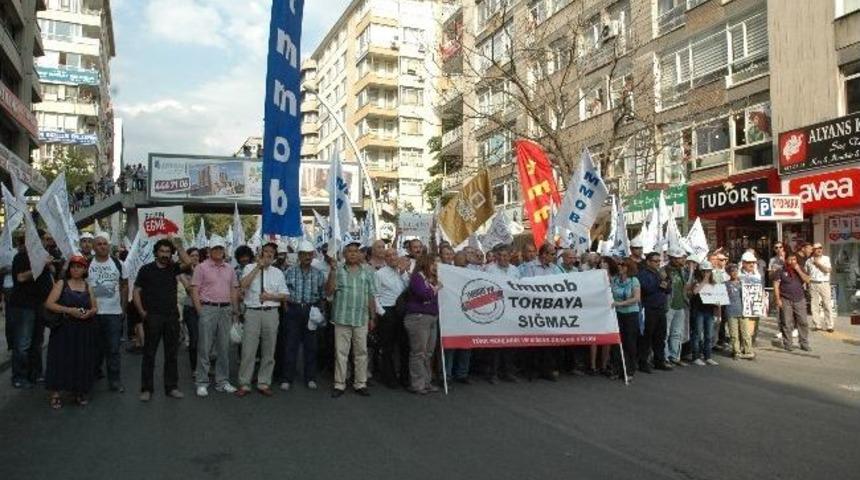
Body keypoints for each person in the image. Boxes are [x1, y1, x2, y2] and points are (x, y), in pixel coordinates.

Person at [134, 238, 187, 402]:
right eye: (162, 251)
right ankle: (146, 389)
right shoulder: (146, 270)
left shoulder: (174, 268)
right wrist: (142, 312)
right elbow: (136, 291)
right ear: (156, 252)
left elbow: (188, 262)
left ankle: (171, 387)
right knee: (149, 354)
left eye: (167, 252)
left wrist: (178, 246)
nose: (165, 255)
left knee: (171, 354)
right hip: (153, 317)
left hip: (171, 316)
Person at [44, 255, 100, 408]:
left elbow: (94, 306)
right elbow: (49, 303)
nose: (76, 269)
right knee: (60, 359)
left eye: (80, 266)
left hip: (83, 329)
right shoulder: (62, 284)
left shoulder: (88, 286)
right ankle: (55, 393)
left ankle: (78, 391)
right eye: (73, 266)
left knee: (81, 359)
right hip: (64, 329)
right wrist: (69, 310)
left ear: (84, 269)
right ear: (69, 269)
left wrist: (90, 312)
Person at [236, 242, 289, 397]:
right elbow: (242, 285)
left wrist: (270, 296)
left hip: (271, 312)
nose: (268, 254)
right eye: (265, 251)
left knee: (269, 349)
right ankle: (245, 383)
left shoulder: (278, 273)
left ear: (274, 256)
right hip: (252, 312)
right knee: (248, 350)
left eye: (271, 253)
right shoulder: (249, 267)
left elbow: (285, 294)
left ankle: (264, 382)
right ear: (260, 252)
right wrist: (258, 267)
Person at [326, 242, 377, 398]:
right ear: (344, 254)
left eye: (356, 251)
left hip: (361, 318)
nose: (353, 254)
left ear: (360, 254)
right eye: (350, 251)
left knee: (361, 352)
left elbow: (370, 295)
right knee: (341, 353)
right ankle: (339, 384)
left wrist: (373, 317)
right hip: (342, 318)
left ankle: (360, 383)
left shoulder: (368, 272)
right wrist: (333, 272)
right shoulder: (338, 270)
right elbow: (328, 291)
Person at [191, 237, 240, 397]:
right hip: (208, 308)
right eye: (215, 248)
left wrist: (235, 311)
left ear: (224, 250)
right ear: (209, 250)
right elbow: (194, 291)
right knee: (204, 347)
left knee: (224, 348)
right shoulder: (201, 267)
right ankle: (202, 382)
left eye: (220, 248)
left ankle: (222, 381)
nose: (218, 250)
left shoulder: (230, 268)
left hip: (226, 310)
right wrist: (201, 311)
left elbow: (233, 290)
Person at [9, 232, 55, 388]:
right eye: (45, 239)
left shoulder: (44, 258)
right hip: (23, 306)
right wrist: (41, 265)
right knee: (23, 343)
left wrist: (51, 268)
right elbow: (21, 277)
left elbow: (49, 279)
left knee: (37, 342)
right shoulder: (21, 257)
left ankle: (35, 374)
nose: (47, 242)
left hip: (38, 305)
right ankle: (19, 376)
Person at [281, 241, 326, 391]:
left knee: (311, 346)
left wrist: (320, 313)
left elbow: (322, 295)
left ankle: (310, 378)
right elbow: (284, 293)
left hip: (311, 310)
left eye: (309, 254)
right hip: (293, 311)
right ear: (299, 256)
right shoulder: (289, 272)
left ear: (313, 255)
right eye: (304, 254)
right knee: (290, 346)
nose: (307, 257)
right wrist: (287, 309)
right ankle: (287, 378)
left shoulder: (318, 274)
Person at [88, 233, 128, 393]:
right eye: (99, 244)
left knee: (113, 348)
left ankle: (115, 381)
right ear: (94, 247)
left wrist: (123, 308)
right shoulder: (87, 265)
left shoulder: (118, 264)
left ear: (109, 246)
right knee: (93, 347)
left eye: (105, 243)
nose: (102, 246)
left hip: (113, 313)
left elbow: (125, 285)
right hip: (93, 313)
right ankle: (93, 374)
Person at [520, 243, 563, 381]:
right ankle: (531, 370)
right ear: (543, 254)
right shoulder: (530, 267)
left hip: (550, 309)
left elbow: (563, 283)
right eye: (551, 254)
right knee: (533, 341)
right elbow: (527, 285)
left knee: (549, 341)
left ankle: (547, 369)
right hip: (534, 308)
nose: (554, 256)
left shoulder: (555, 268)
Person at [403, 255, 440, 394]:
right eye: (433, 264)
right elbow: (423, 294)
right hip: (418, 318)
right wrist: (435, 288)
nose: (436, 266)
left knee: (428, 352)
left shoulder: (434, 279)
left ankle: (426, 381)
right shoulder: (417, 277)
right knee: (419, 352)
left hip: (431, 317)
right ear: (426, 264)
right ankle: (417, 384)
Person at [373, 248, 410, 388]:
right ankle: (389, 378)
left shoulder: (403, 272)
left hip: (403, 312)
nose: (392, 257)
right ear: (385, 259)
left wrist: (403, 273)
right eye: (389, 255)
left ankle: (405, 378)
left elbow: (408, 288)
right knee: (387, 348)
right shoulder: (379, 274)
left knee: (404, 346)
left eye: (395, 254)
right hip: (388, 311)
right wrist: (382, 313)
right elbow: (375, 295)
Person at [484, 244, 520, 383]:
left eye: (506, 255)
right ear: (496, 256)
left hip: (511, 310)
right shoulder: (489, 269)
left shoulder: (515, 270)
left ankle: (508, 372)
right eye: (500, 255)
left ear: (510, 256)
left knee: (510, 343)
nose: (503, 258)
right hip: (495, 309)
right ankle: (493, 373)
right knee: (495, 344)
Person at [637, 252, 671, 373]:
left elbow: (668, 289)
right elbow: (647, 288)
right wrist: (660, 282)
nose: (658, 263)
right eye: (655, 261)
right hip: (649, 308)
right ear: (648, 262)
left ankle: (659, 361)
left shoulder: (660, 273)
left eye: (659, 261)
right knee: (647, 336)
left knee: (660, 336)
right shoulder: (643, 274)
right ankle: (643, 362)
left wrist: (664, 281)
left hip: (661, 308)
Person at [610, 257, 640, 381]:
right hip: (617, 314)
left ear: (628, 267)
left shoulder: (634, 280)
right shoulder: (615, 280)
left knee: (629, 342)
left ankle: (629, 370)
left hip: (630, 314)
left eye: (623, 265)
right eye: (619, 265)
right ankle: (617, 369)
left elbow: (636, 298)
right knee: (617, 342)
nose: (620, 267)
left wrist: (620, 304)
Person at [773, 253, 811, 352]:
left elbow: (807, 280)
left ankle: (804, 343)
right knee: (787, 322)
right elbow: (776, 286)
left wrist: (798, 269)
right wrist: (778, 299)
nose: (792, 261)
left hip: (799, 299)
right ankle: (788, 343)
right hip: (785, 299)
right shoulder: (780, 271)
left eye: (794, 259)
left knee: (803, 322)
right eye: (790, 259)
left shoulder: (800, 269)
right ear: (786, 260)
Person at [690, 261, 719, 366]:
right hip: (698, 311)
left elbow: (718, 298)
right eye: (705, 271)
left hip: (709, 311)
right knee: (697, 334)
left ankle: (708, 356)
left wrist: (718, 313)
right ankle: (696, 356)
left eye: (709, 271)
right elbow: (695, 292)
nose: (707, 273)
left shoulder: (713, 283)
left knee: (709, 335)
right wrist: (704, 281)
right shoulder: (696, 281)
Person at [664, 248, 688, 367]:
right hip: (669, 305)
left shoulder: (682, 271)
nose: (680, 260)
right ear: (671, 258)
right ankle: (665, 356)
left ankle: (675, 356)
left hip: (680, 305)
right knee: (666, 332)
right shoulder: (664, 270)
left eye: (680, 258)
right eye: (677, 258)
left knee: (677, 332)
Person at [178, 247, 200, 372]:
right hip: (190, 308)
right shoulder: (182, 273)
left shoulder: (204, 270)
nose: (195, 258)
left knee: (205, 340)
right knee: (194, 339)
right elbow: (190, 289)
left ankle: (204, 365)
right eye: (192, 255)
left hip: (205, 307)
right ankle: (194, 368)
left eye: (197, 255)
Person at [806, 243, 834, 333]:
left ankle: (829, 325)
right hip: (813, 283)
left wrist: (818, 264)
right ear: (813, 250)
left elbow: (828, 270)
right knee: (814, 305)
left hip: (824, 283)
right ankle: (817, 324)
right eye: (816, 248)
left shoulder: (826, 258)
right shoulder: (809, 260)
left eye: (820, 248)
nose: (819, 250)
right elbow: (806, 273)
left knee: (827, 304)